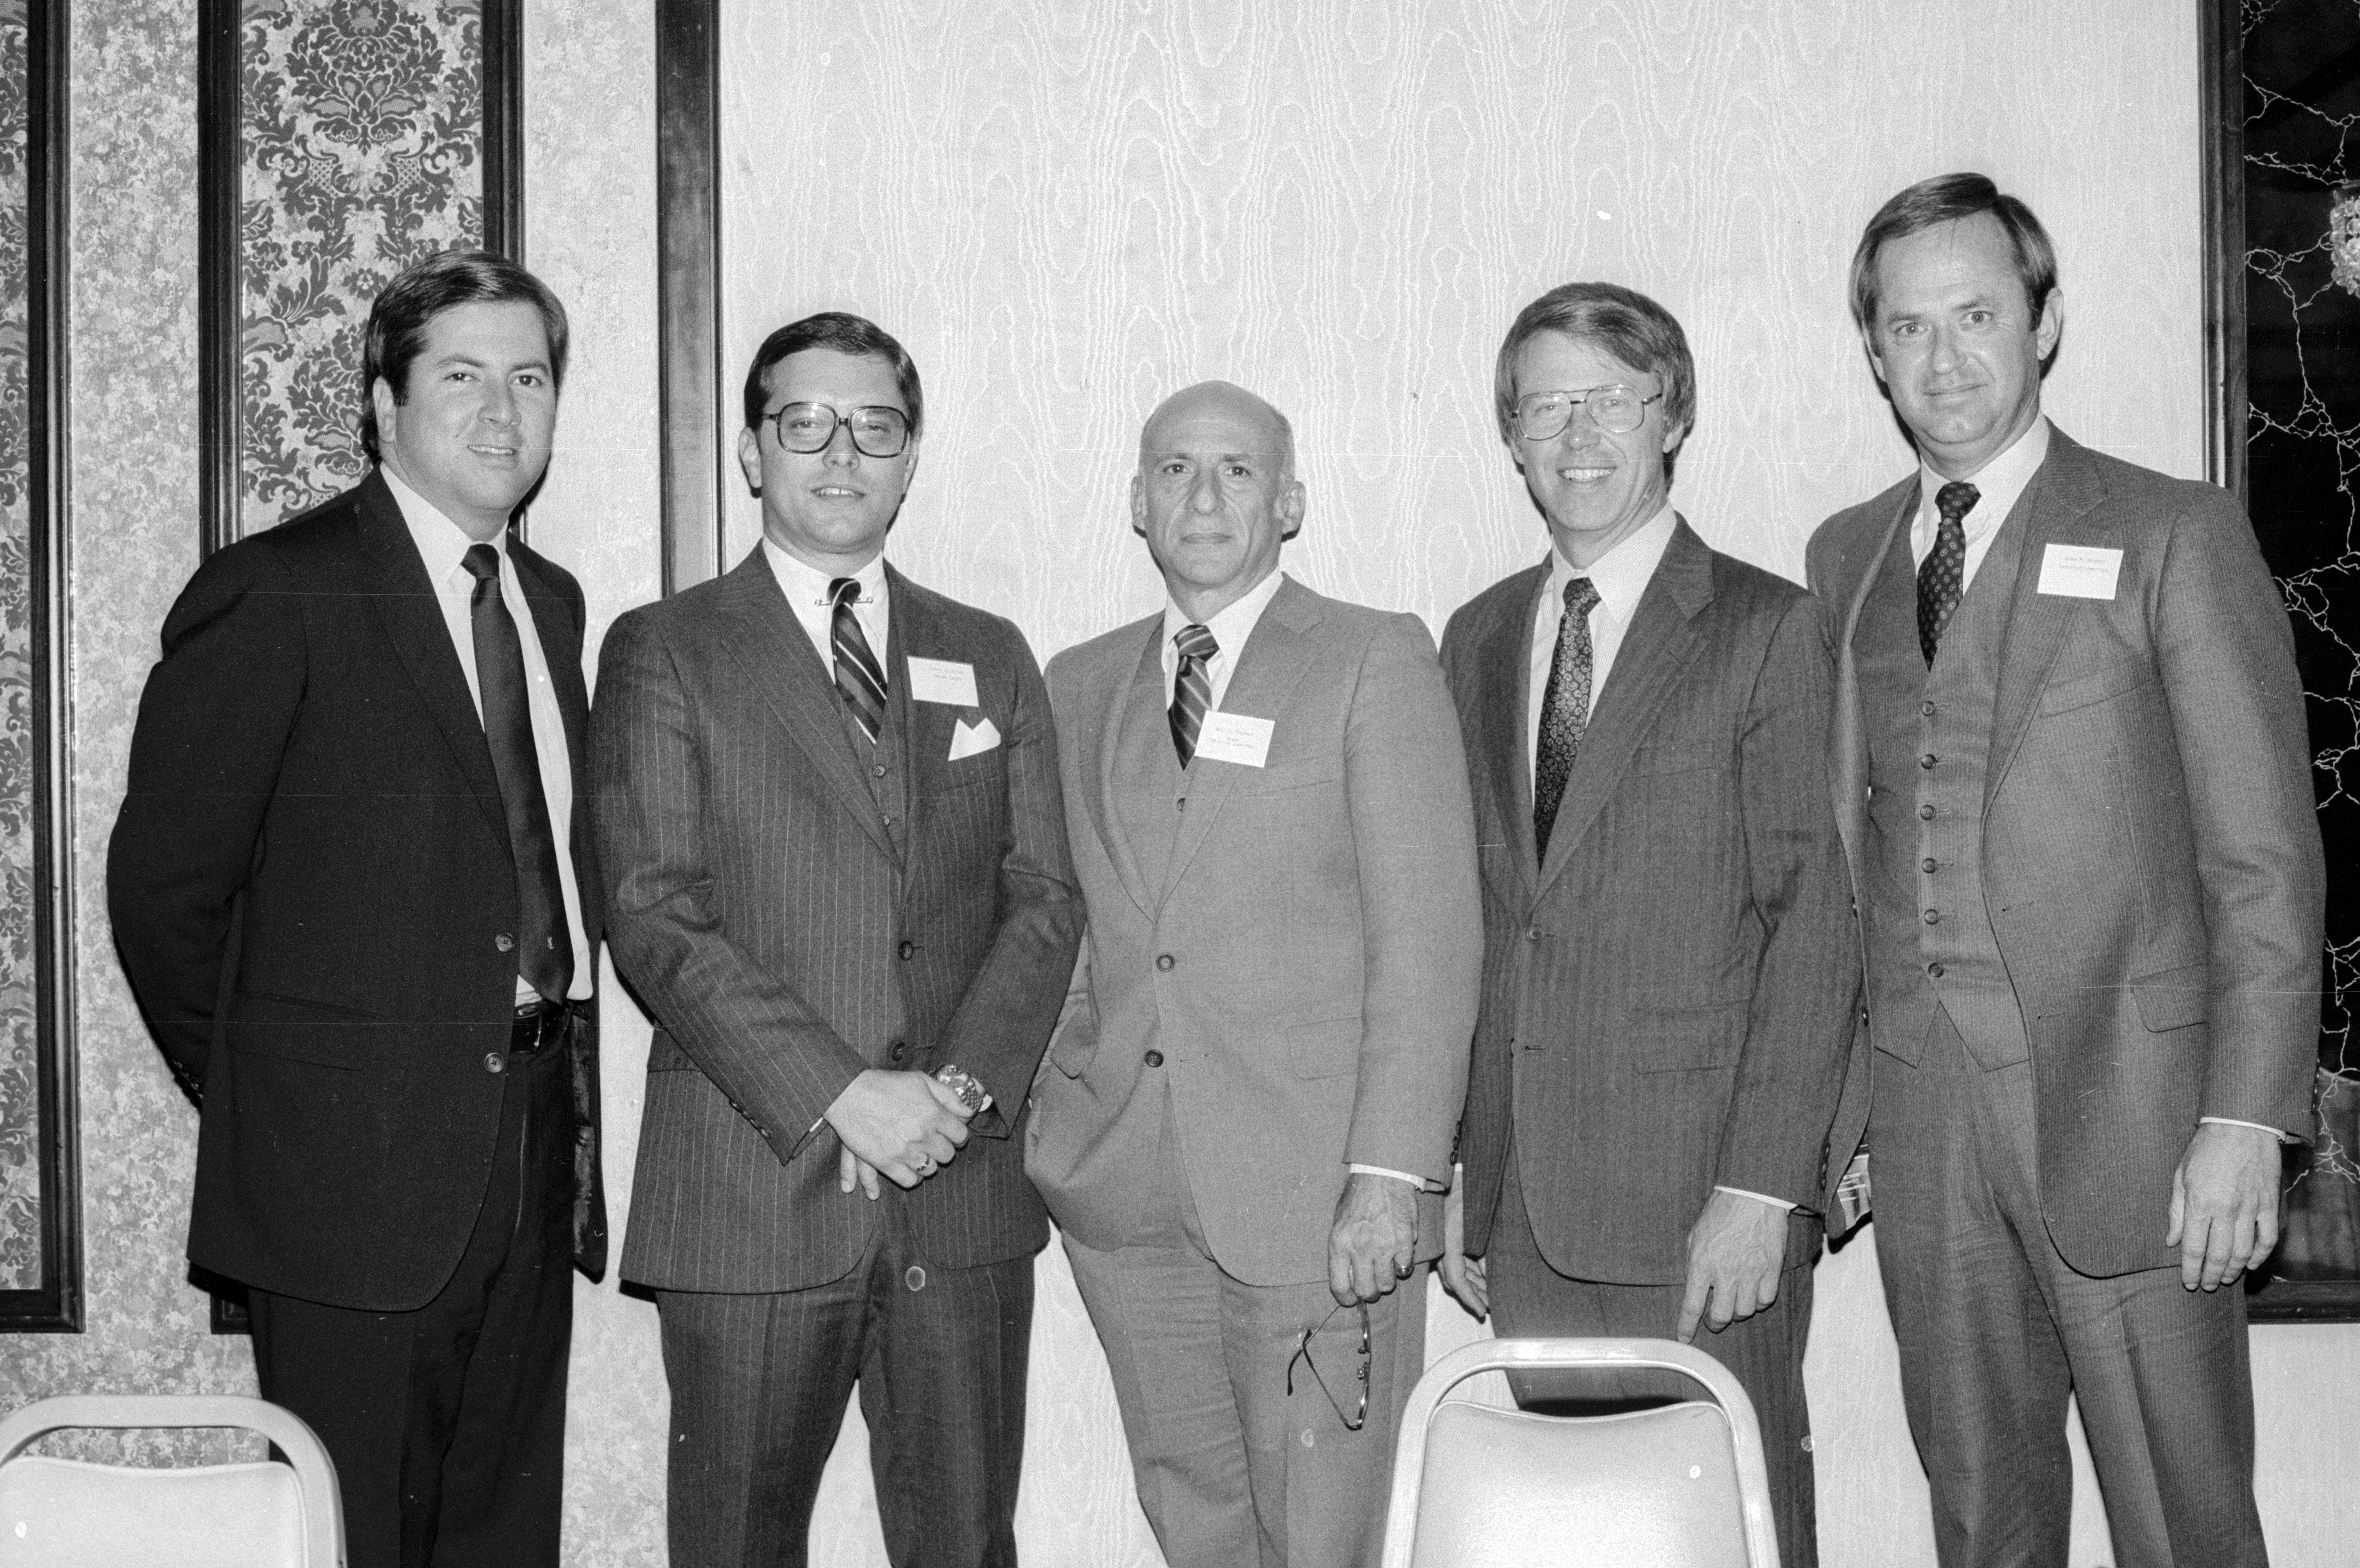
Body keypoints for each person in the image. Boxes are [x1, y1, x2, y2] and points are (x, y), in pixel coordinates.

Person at [1808, 172, 2323, 1568]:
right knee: (1983, 1516)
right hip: (1924, 1121)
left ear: (2043, 324)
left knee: (2182, 1521)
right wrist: (1844, 1109)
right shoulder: (1848, 556)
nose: (1944, 358)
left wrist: (2247, 1118)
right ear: (1874, 353)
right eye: (1908, 327)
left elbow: (2265, 860)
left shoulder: (2172, 531)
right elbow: (1851, 852)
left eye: (1977, 315)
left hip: (2140, 1121)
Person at [108, 248, 604, 1568]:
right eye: (462, 377)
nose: (502, 412)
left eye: (530, 380)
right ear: (385, 403)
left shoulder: (551, 606)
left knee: (502, 1537)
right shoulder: (280, 589)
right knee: (356, 1541)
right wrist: (291, 1098)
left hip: (532, 1148)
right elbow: (164, 894)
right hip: (347, 1185)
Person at [591, 312, 1083, 1568]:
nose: (842, 454)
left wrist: (950, 1096)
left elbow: (1043, 899)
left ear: (911, 457)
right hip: (756, 1189)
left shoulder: (988, 651)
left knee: (965, 1546)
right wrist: (846, 1094)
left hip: (957, 1192)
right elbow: (653, 913)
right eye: (804, 423)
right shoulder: (667, 648)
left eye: (875, 427)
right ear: (752, 450)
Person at [1433, 282, 1858, 1568]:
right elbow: (1490, 923)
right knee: (1570, 1536)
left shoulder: (1765, 627)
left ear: (1674, 418)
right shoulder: (1479, 635)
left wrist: (1763, 1188)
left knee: (1726, 1531)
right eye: (1546, 406)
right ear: (1511, 437)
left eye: (1612, 401)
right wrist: (1464, 1169)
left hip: (1701, 1206)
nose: (1578, 435)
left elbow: (1816, 926)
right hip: (1528, 1212)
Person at [1026, 380, 1481, 1568]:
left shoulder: (1373, 657)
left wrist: (1392, 1176)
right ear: (1138, 502)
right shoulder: (1078, 684)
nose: (1204, 497)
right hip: (1127, 1195)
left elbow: (1429, 942)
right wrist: (1059, 1112)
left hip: (1319, 1202)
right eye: (1176, 470)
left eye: (1237, 471)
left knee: (1321, 1534)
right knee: (1195, 1524)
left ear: (1290, 502)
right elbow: (1065, 926)